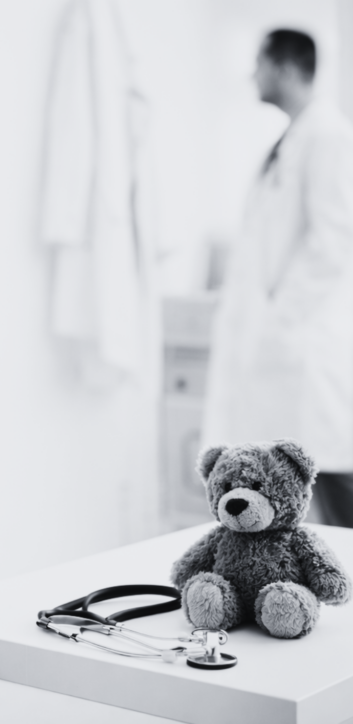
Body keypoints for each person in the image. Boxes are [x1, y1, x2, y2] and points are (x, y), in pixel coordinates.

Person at [202, 29, 353, 527]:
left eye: (260, 64)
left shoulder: (328, 137)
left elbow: (333, 242)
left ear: (285, 68)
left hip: (304, 348)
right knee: (303, 492)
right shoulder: (291, 141)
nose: (254, 75)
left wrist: (278, 322)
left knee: (333, 485)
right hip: (282, 350)